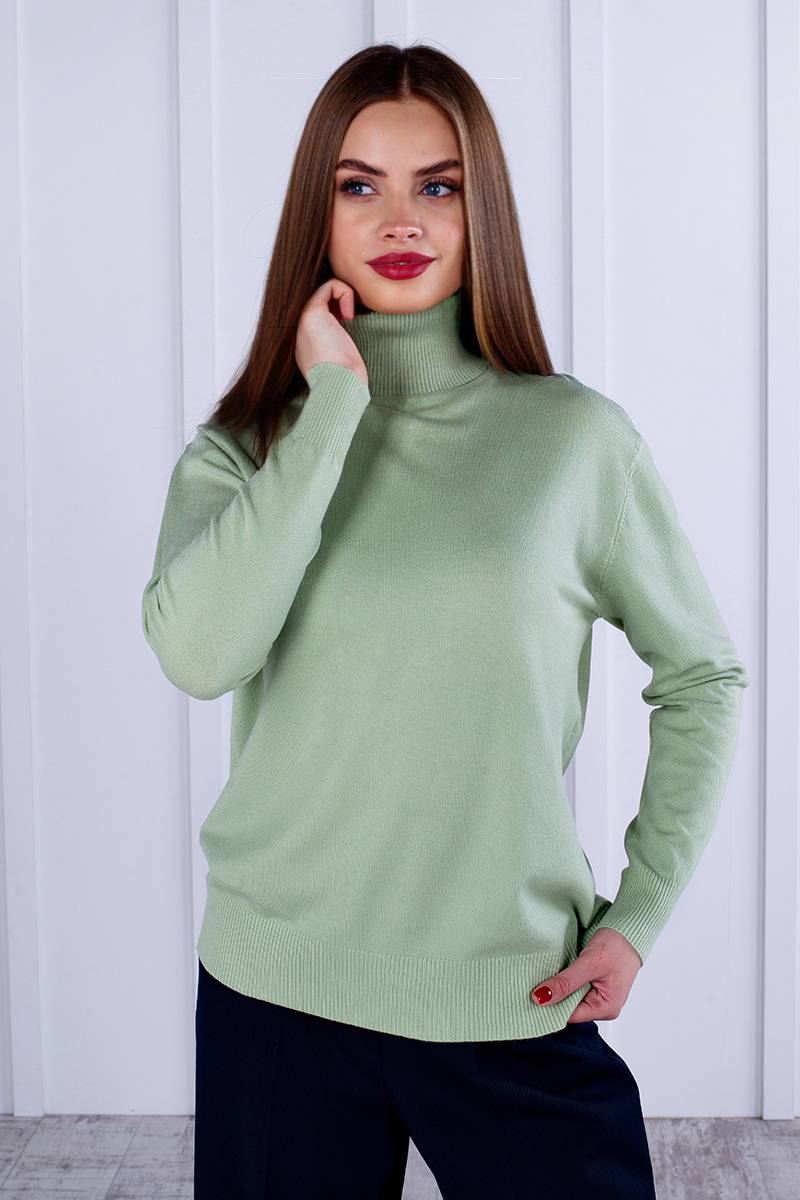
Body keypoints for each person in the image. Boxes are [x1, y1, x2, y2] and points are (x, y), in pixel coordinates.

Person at [141, 41, 748, 1200]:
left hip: (507, 992)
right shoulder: (246, 450)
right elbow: (200, 654)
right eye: (357, 185)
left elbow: (701, 676)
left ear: (483, 212)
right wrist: (330, 408)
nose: (399, 218)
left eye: (438, 184)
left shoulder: (574, 442)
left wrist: (639, 913)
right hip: (275, 997)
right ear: (316, 215)